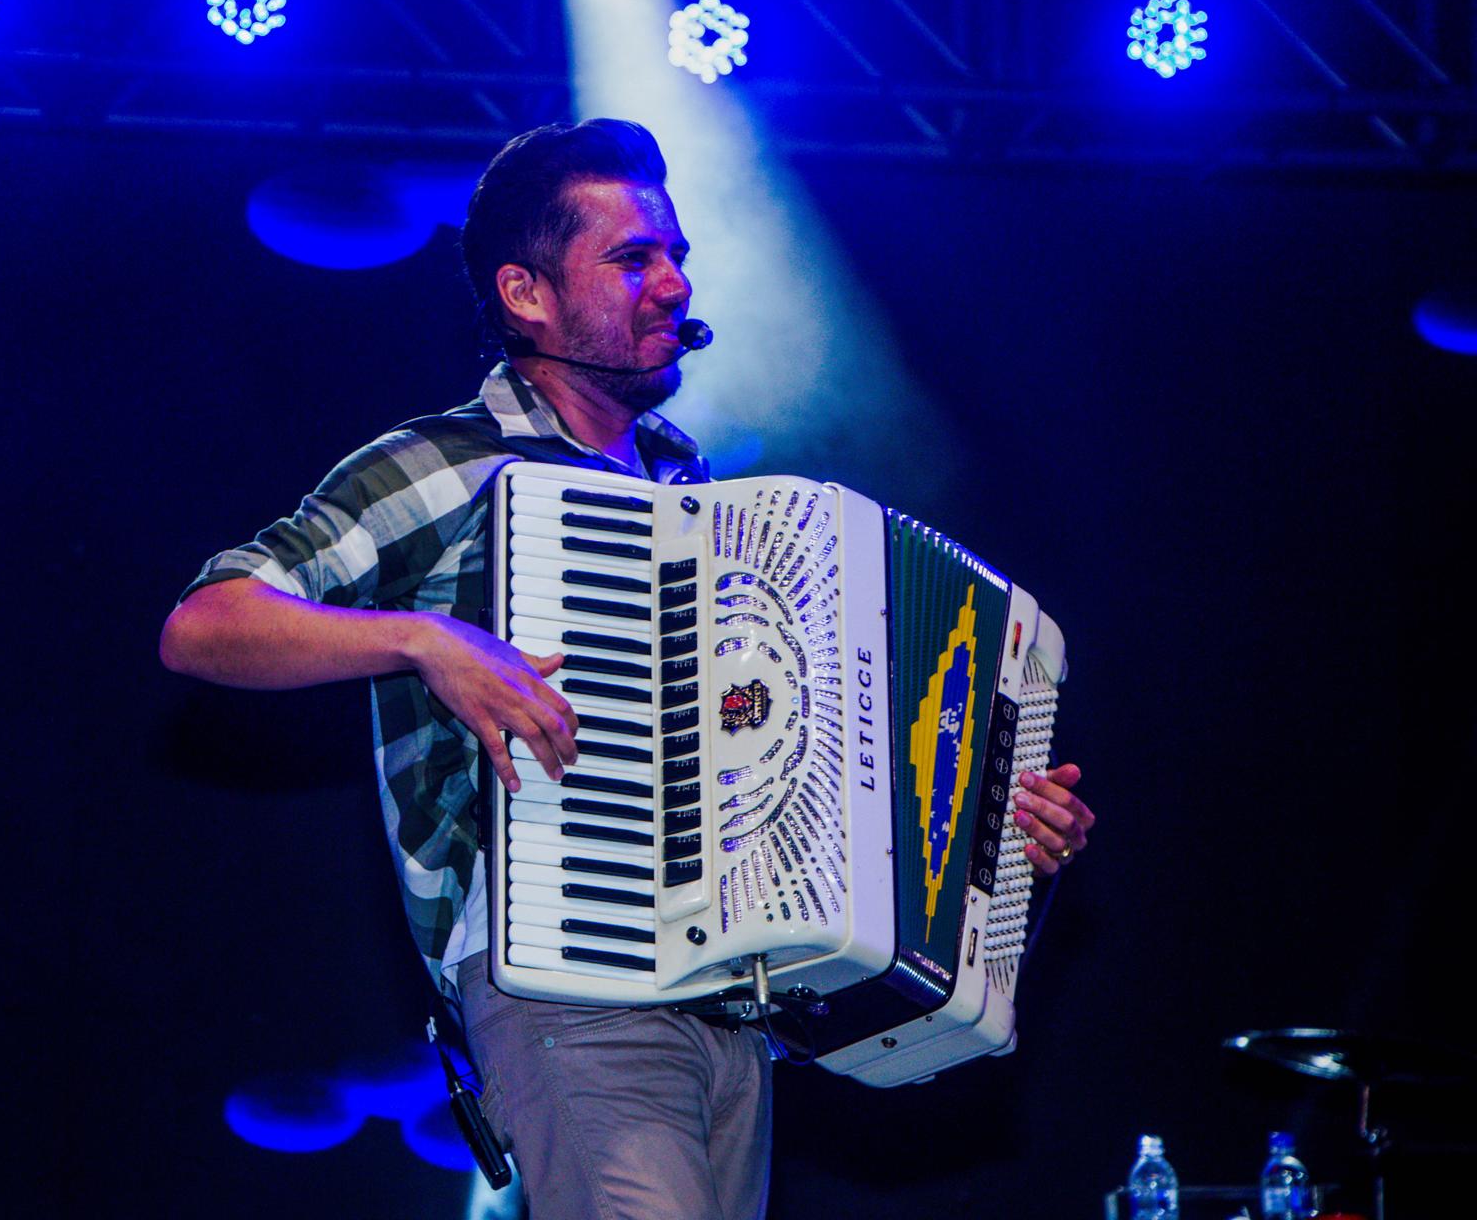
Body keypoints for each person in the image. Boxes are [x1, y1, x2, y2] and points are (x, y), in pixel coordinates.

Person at [160, 118, 1094, 1219]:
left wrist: (987, 827)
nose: (674, 283)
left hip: (734, 1002)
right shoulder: (445, 464)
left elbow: (812, 761)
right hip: (567, 981)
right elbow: (206, 623)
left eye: (678, 256)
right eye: (633, 258)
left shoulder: (699, 497)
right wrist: (424, 637)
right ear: (525, 293)